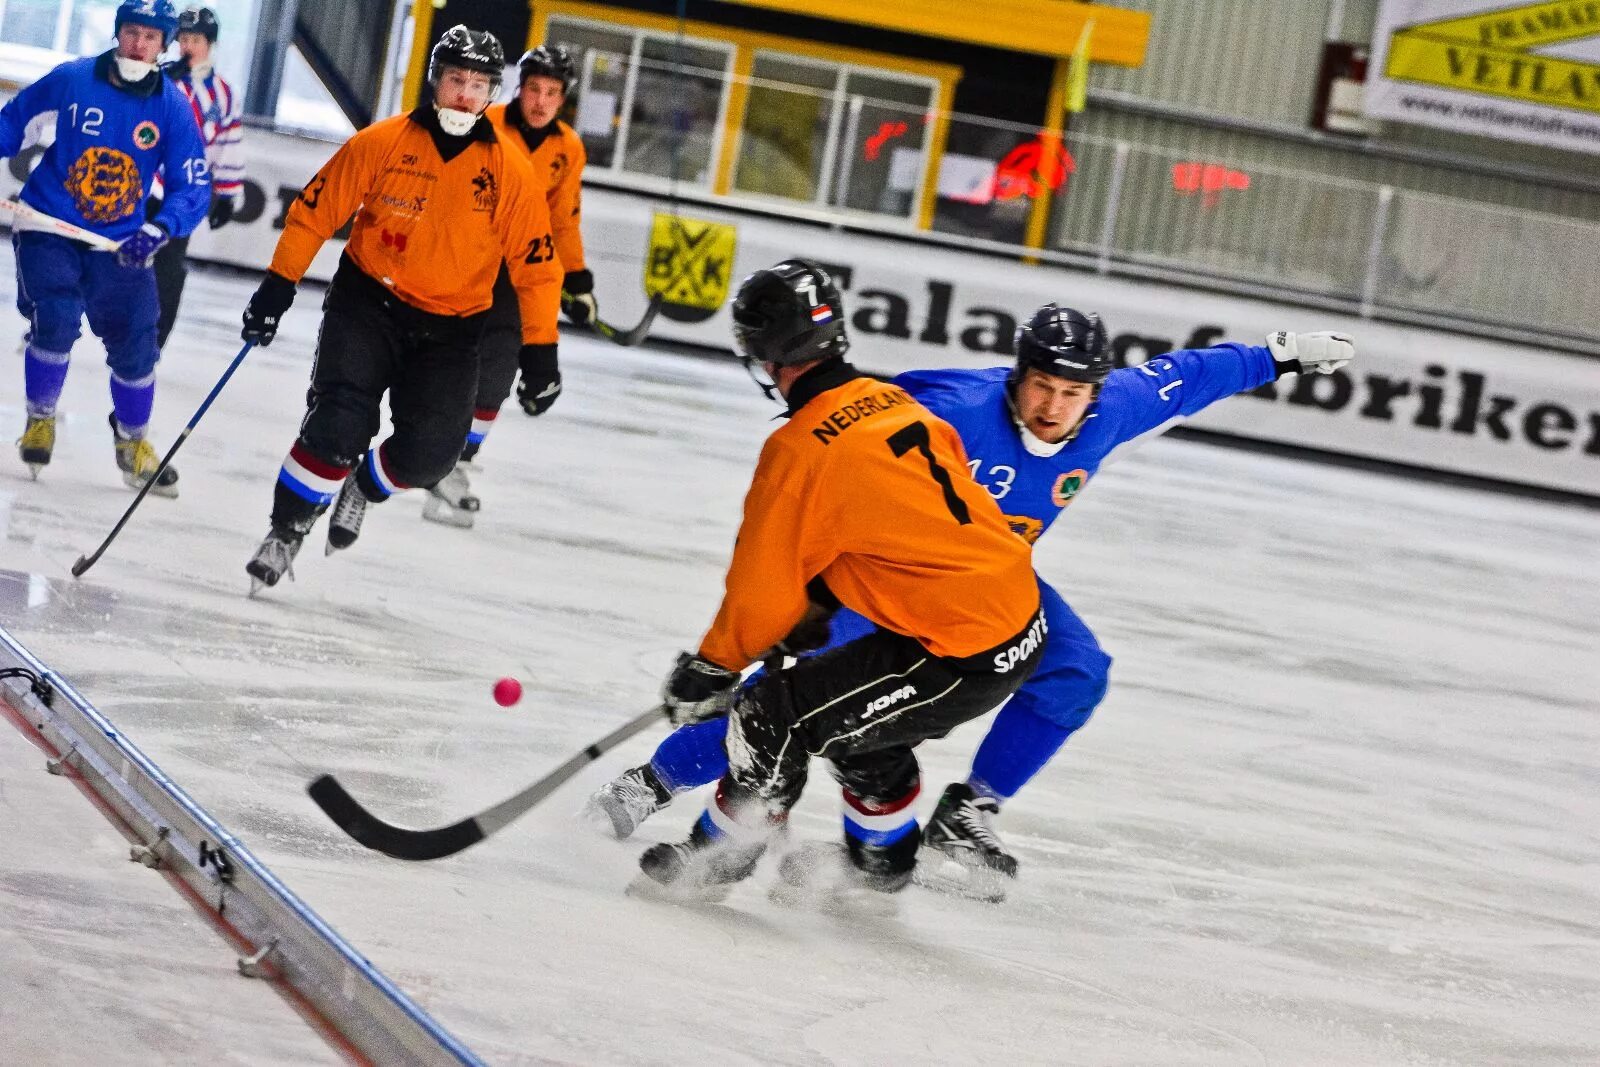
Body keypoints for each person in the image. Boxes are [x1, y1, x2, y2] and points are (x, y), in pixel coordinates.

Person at [593, 304, 1355, 894]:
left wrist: (1279, 355)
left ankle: (967, 814)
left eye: (1073, 393)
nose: (1057, 407)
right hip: (894, 575)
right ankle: (655, 778)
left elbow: (1190, 376)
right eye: (1042, 387)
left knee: (1077, 670)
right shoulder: (954, 404)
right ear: (1015, 376)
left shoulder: (1108, 409)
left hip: (994, 591)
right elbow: (851, 424)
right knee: (794, 693)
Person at [635, 258, 1048, 896]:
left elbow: (761, 585)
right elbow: (910, 520)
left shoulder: (801, 448)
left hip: (963, 644)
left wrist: (714, 665)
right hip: (1005, 617)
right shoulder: (890, 402)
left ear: (764, 354)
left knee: (773, 714)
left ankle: (717, 858)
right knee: (855, 727)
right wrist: (822, 602)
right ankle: (878, 865)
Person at [239, 26, 562, 593]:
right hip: (368, 304)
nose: (466, 95)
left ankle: (364, 486)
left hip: (453, 328)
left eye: (479, 84)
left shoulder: (513, 173)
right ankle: (285, 529)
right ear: (436, 80)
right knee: (338, 422)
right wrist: (277, 286)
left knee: (432, 456)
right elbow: (314, 215)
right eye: (457, 80)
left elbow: (536, 270)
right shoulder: (381, 141)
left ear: (492, 94)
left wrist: (540, 354)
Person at [1, 0, 209, 495]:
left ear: (164, 46)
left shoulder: (171, 106)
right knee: (56, 315)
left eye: (151, 37)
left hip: (119, 242)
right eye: (132, 33)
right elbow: (15, 121)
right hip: (48, 224)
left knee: (138, 342)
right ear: (118, 34)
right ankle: (40, 418)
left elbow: (193, 186)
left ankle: (133, 441)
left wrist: (161, 229)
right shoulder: (73, 78)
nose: (139, 45)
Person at [423, 43, 595, 527]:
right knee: (438, 358)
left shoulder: (569, 148)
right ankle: (411, 447)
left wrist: (577, 279)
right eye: (535, 89)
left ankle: (453, 467)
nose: (541, 102)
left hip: (519, 276)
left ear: (564, 99)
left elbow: (564, 219)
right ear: (520, 89)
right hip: (464, 264)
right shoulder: (485, 123)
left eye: (553, 93)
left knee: (497, 373)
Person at [150, 5, 246, 351]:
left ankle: (155, 341)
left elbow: (227, 144)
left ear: (211, 44)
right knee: (115, 255)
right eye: (184, 39)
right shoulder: (159, 79)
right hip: (144, 184)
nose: (188, 47)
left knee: (169, 268)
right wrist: (155, 76)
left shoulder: (224, 94)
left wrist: (227, 192)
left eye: (196, 40)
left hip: (185, 193)